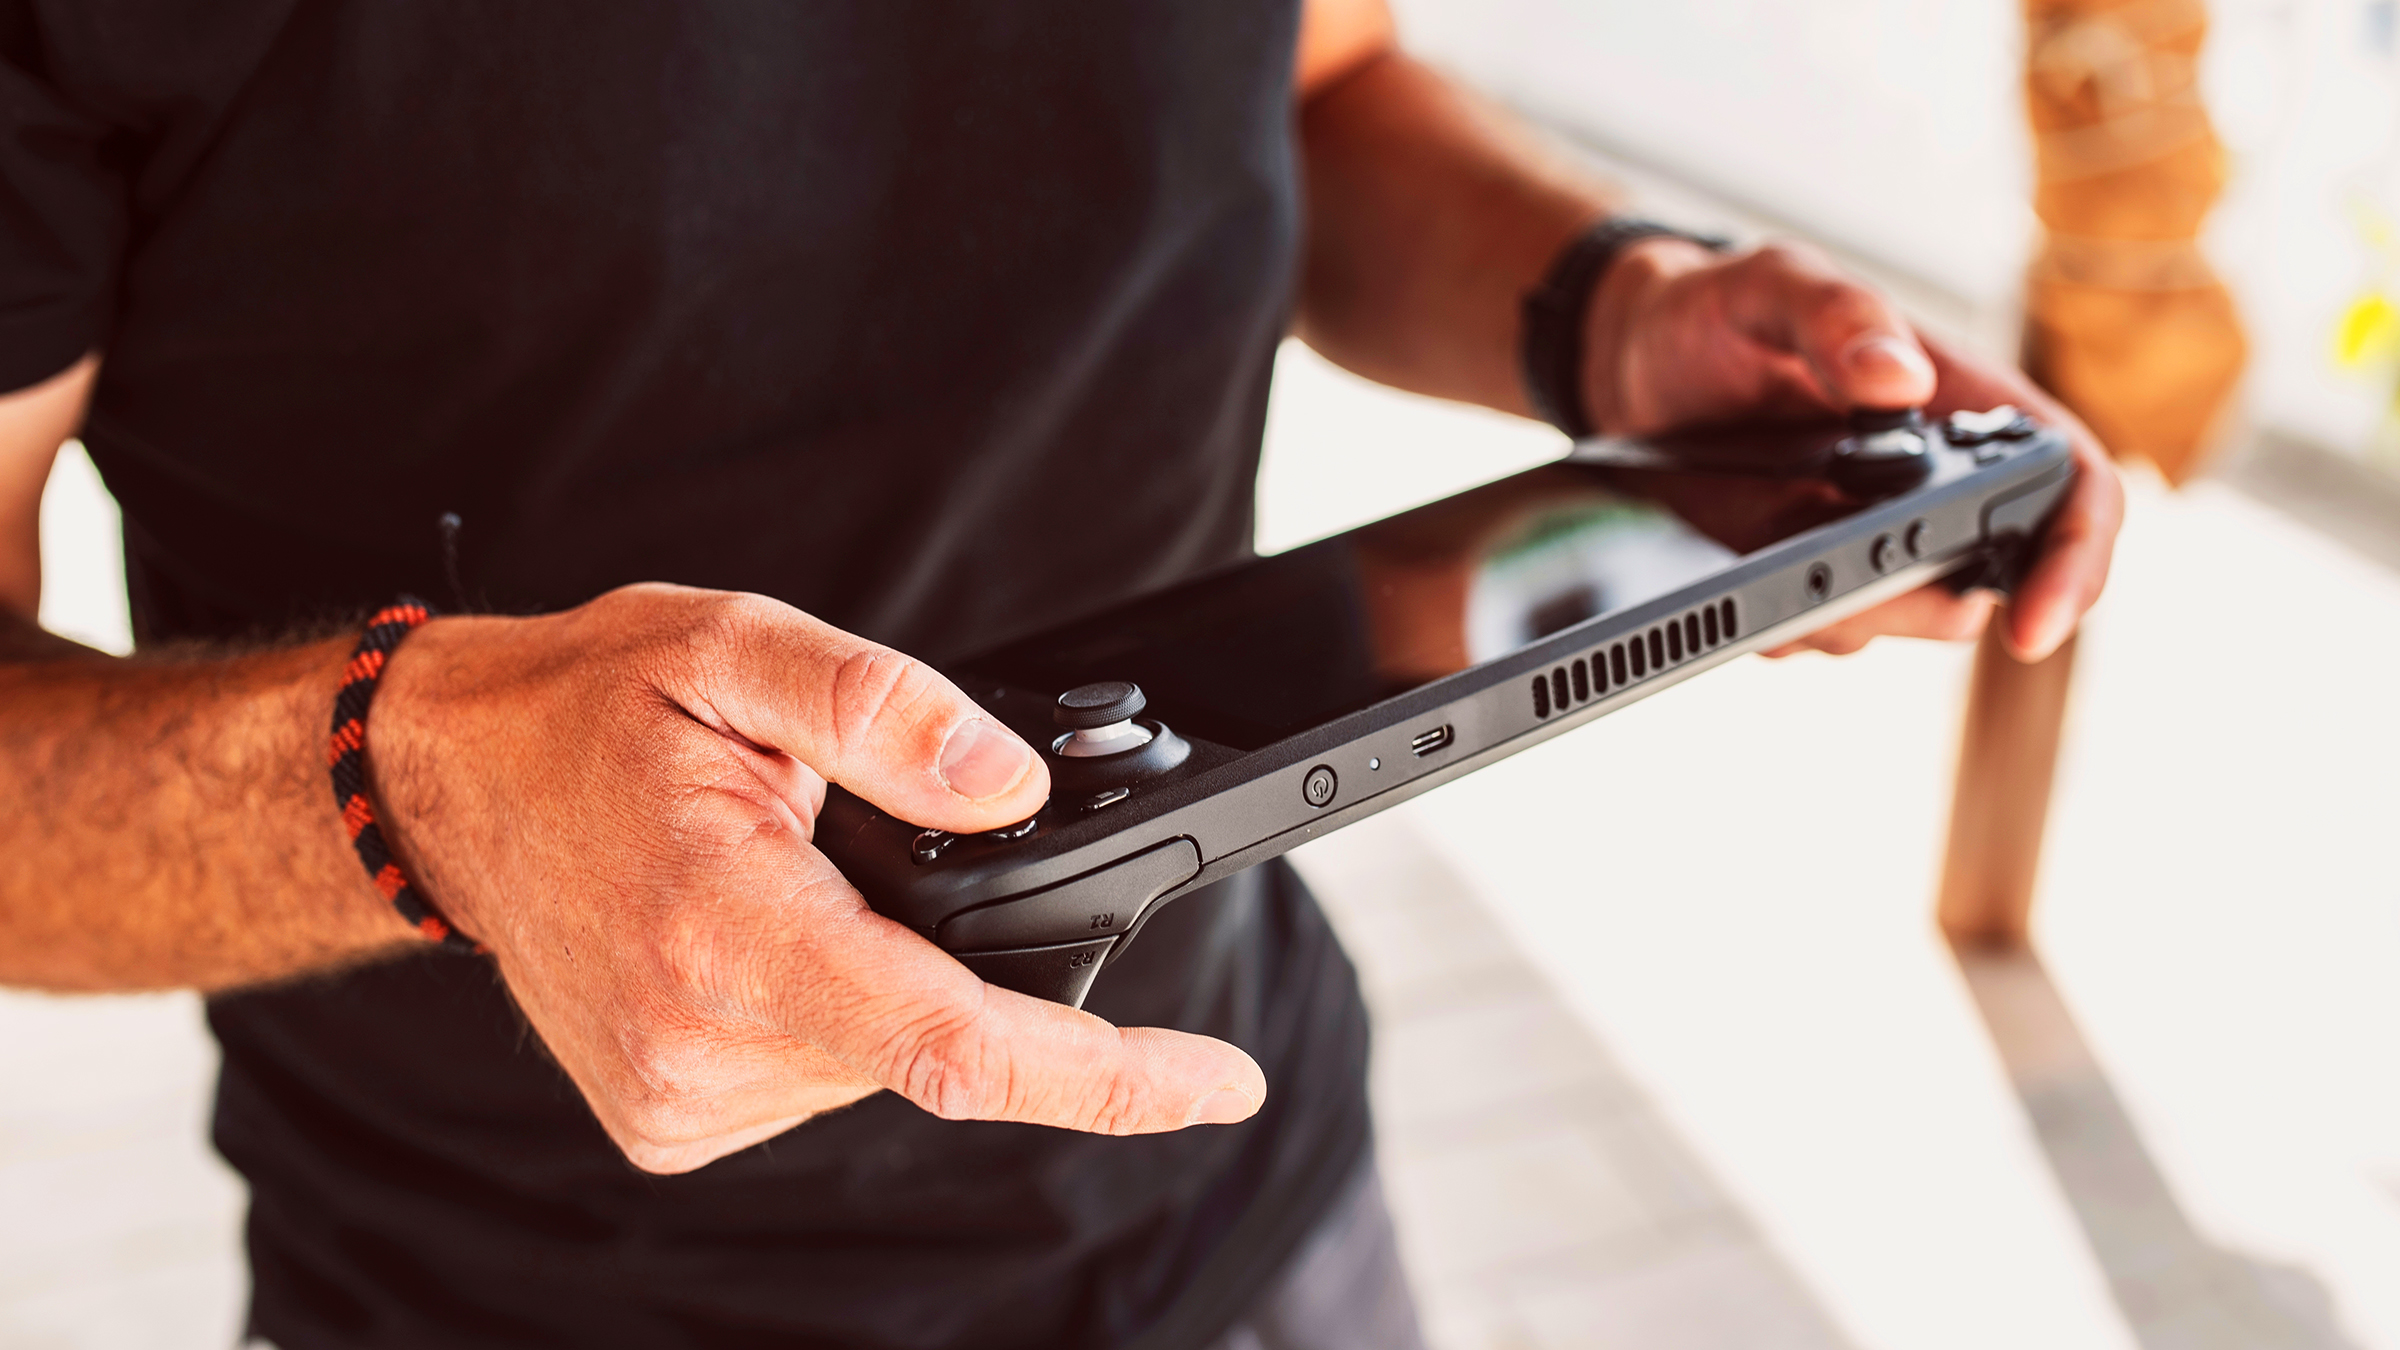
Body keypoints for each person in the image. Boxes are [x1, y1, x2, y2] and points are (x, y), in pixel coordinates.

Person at [0, 0, 2125, 1345]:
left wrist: (1601, 309)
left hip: (1239, 1188)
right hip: (512, 1286)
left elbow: (1315, 82)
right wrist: (418, 774)